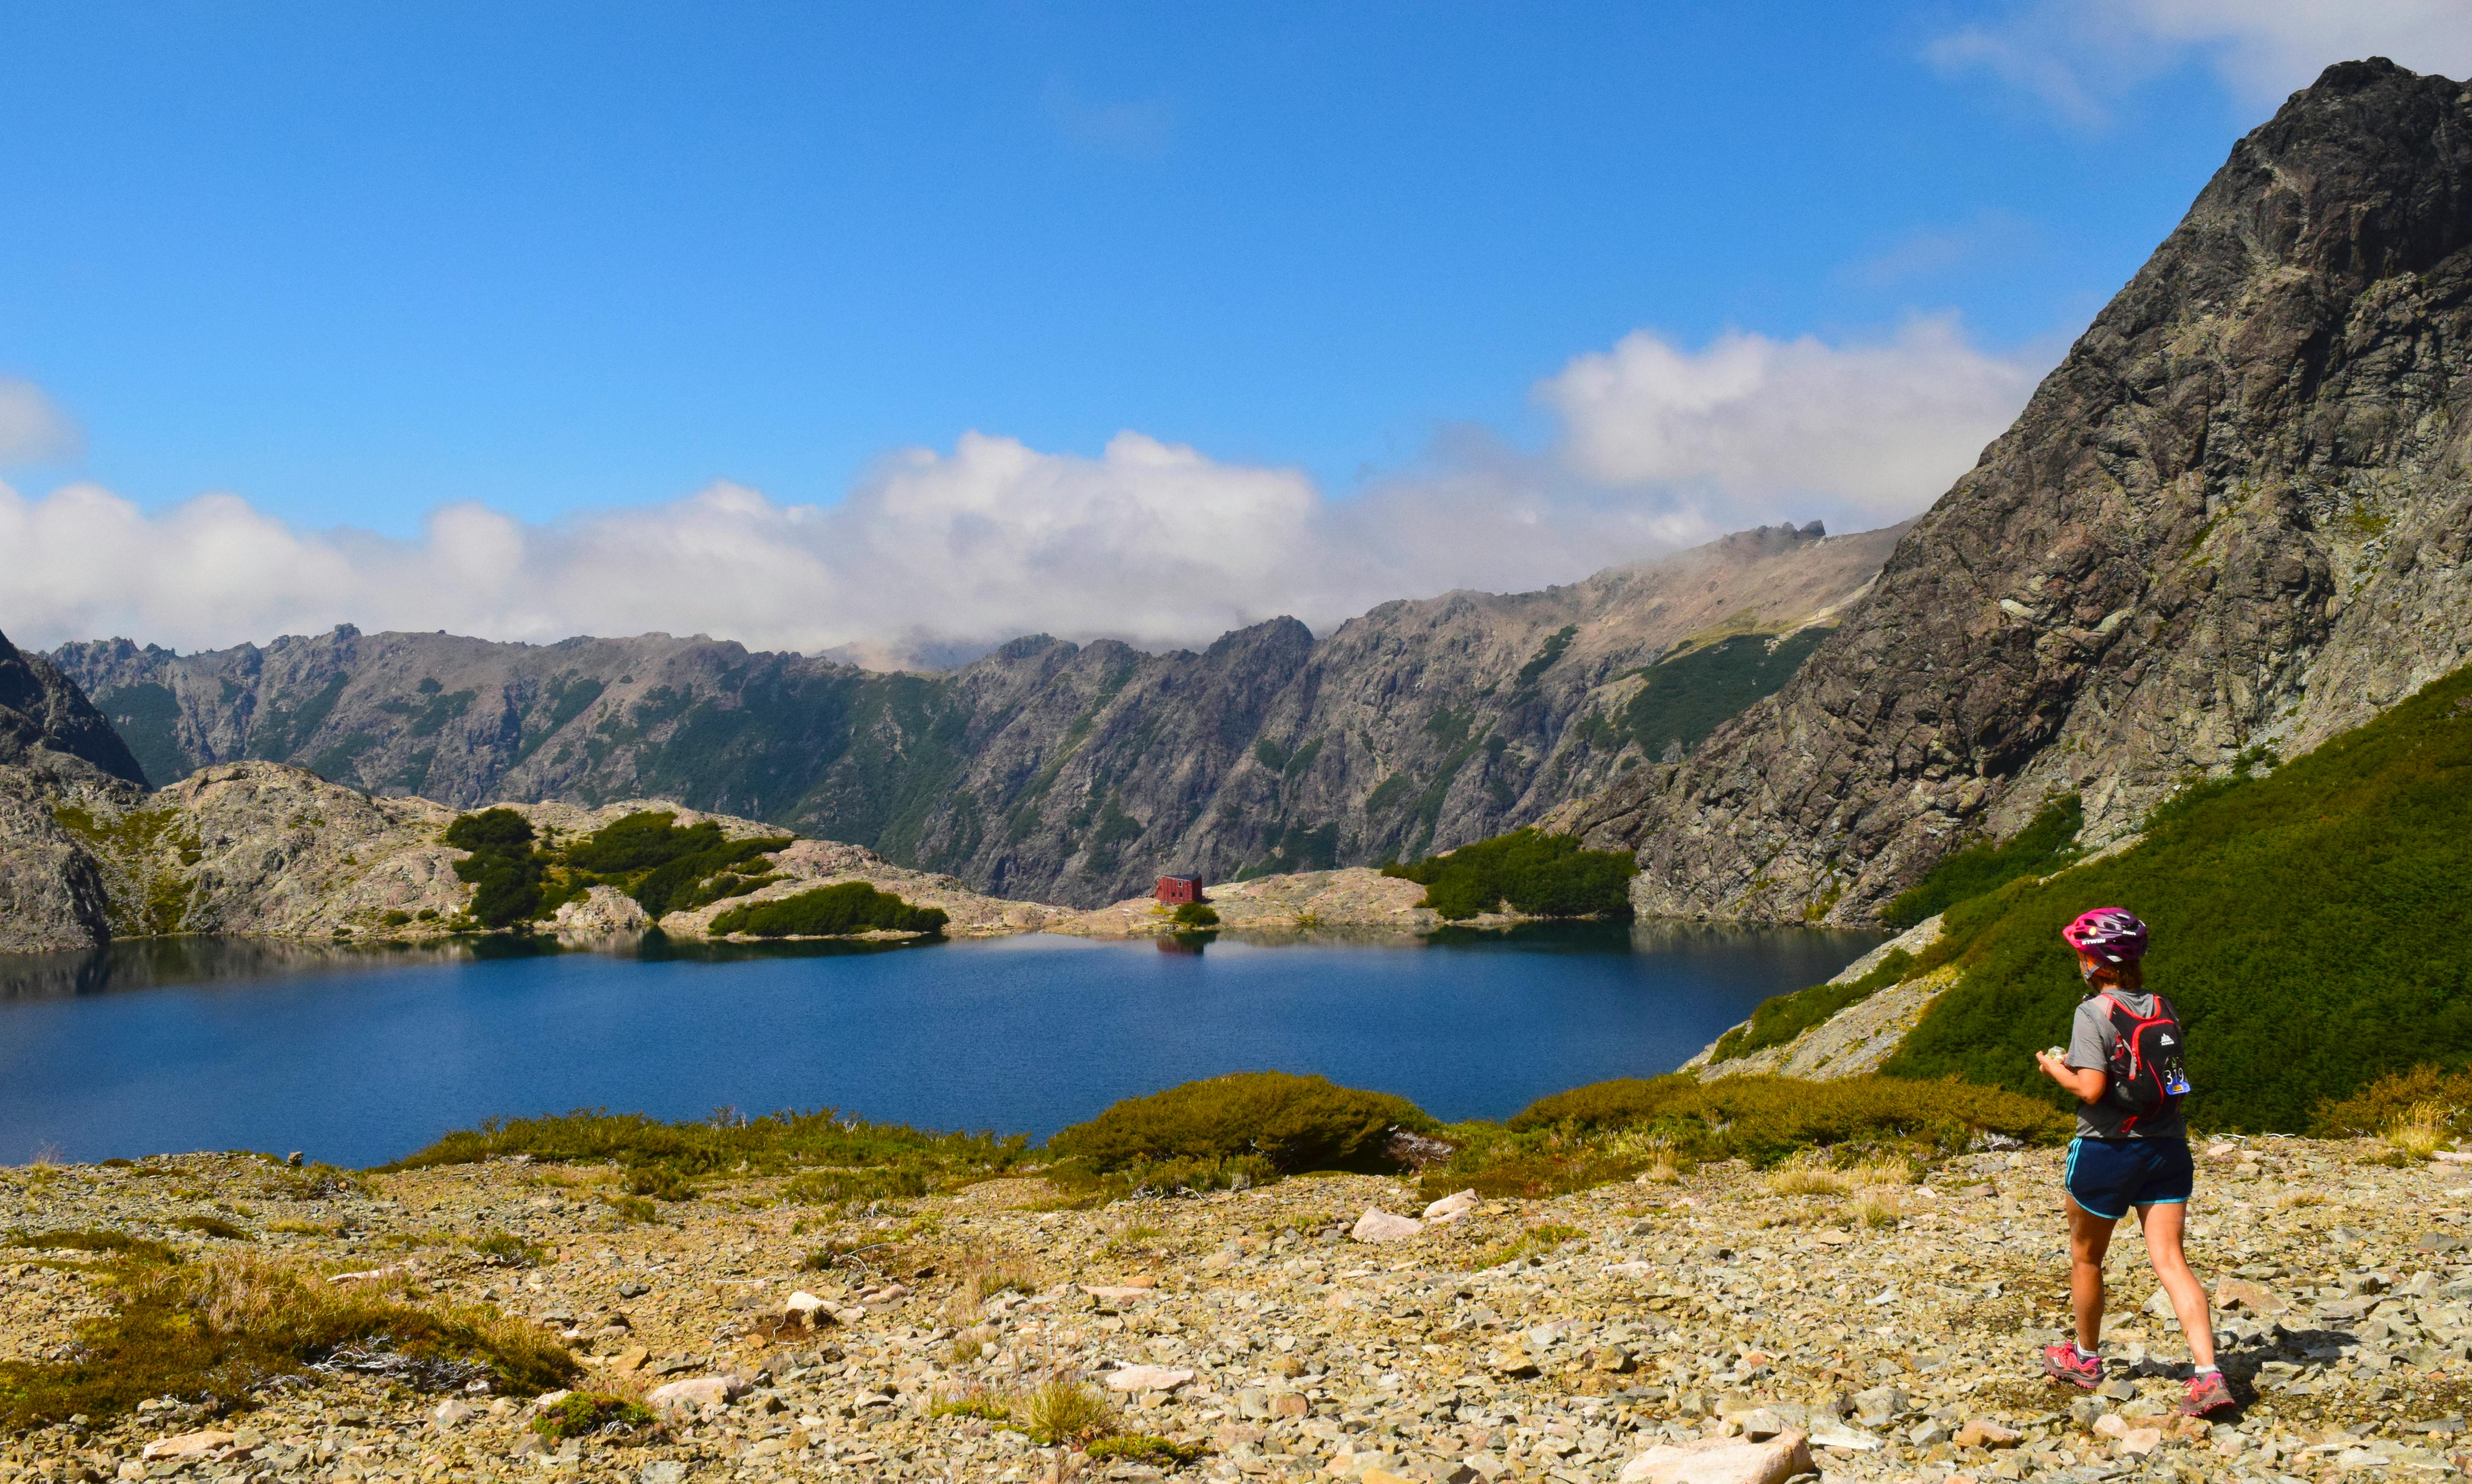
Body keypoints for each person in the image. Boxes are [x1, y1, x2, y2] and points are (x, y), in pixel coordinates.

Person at [2032, 907, 2233, 1416]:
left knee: (2087, 1258)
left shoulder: (2092, 1012)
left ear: (2097, 962)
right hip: (2167, 1149)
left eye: (2082, 954)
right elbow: (2172, 1081)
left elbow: (2092, 1087)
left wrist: (2056, 1069)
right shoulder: (2163, 1006)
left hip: (2106, 1149)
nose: (2078, 961)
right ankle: (2208, 1374)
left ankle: (2085, 1359)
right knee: (2171, 1260)